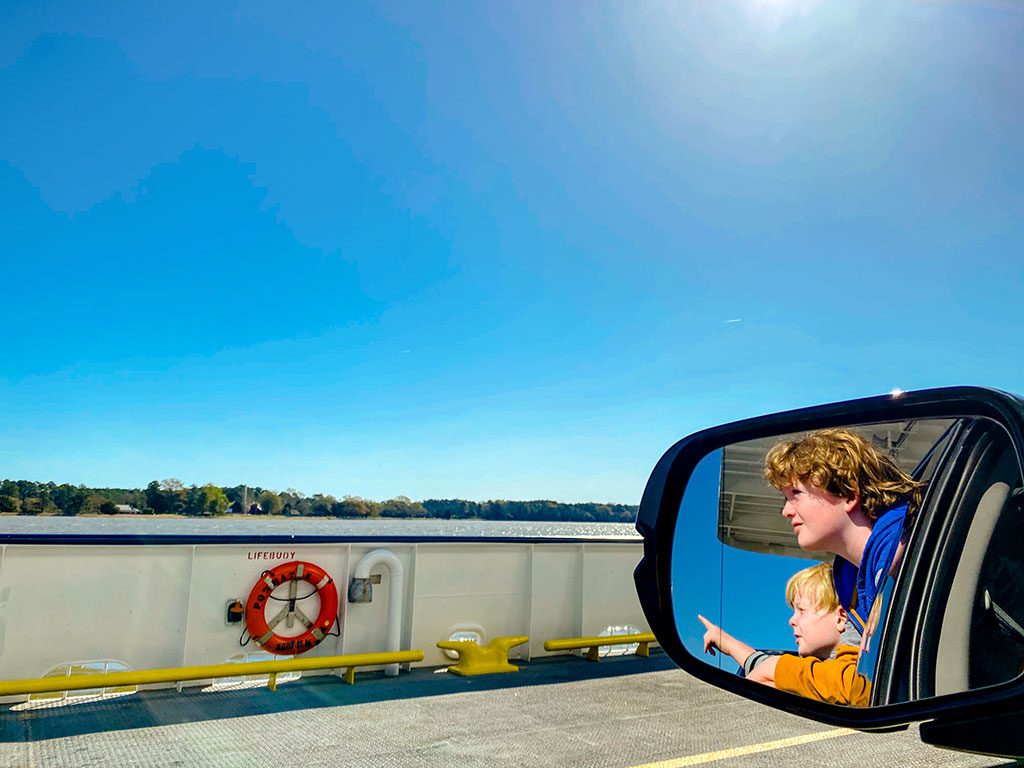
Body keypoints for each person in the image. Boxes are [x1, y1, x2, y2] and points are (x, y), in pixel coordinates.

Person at [750, 427, 925, 704]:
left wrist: (777, 668)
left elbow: (861, 690)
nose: (785, 511)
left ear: (847, 494)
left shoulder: (908, 557)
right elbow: (855, 676)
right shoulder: (853, 584)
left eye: (795, 493)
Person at [698, 563, 860, 701]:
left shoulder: (852, 672)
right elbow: (769, 667)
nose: (791, 621)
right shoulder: (824, 676)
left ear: (840, 618)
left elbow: (845, 685)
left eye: (802, 610)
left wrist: (774, 667)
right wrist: (727, 642)